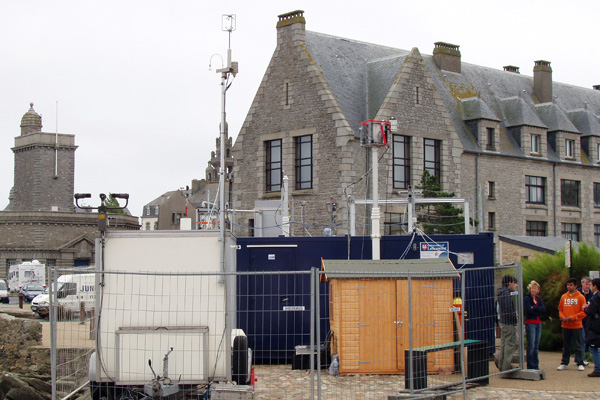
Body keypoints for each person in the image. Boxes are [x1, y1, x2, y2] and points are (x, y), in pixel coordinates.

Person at [557, 278, 587, 371]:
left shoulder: (580, 297)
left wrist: (573, 317)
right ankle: (564, 362)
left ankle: (580, 362)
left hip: (576, 325)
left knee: (578, 345)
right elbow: (560, 309)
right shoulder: (563, 297)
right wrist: (562, 317)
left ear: (575, 286)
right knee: (566, 345)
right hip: (565, 325)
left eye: (571, 285)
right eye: (568, 285)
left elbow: (584, 312)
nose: (569, 287)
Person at [496, 275, 518, 371]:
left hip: (503, 321)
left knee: (504, 343)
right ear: (510, 283)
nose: (516, 285)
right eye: (514, 283)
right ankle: (506, 367)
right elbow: (508, 308)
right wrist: (514, 317)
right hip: (508, 322)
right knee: (511, 343)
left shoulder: (501, 293)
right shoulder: (506, 294)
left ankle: (502, 365)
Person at [524, 280, 545, 370]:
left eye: (536, 289)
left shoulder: (538, 299)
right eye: (533, 288)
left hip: (538, 322)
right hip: (530, 323)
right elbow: (529, 310)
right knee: (531, 345)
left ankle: (536, 365)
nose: (534, 290)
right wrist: (537, 309)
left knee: (536, 346)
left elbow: (543, 309)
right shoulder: (527, 298)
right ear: (530, 289)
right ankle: (530, 365)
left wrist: (535, 307)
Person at [583, 278, 600, 377]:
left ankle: (598, 369)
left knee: (594, 346)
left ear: (595, 286)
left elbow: (592, 311)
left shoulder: (595, 297)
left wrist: (586, 308)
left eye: (591, 285)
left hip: (595, 324)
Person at [578, 277, 593, 364]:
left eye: (589, 285)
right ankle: (581, 359)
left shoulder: (592, 294)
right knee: (581, 339)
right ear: (582, 284)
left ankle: (581, 358)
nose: (588, 286)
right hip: (579, 319)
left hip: (588, 320)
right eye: (586, 284)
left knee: (586, 339)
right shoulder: (578, 293)